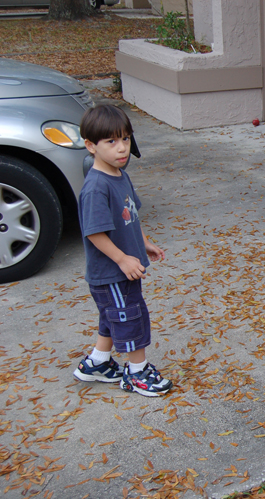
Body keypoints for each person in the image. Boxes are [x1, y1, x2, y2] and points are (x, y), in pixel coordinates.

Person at [72, 104, 173, 397]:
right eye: (111, 141)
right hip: (111, 272)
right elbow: (94, 233)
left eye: (126, 139)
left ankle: (97, 363)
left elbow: (130, 214)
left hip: (123, 269)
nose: (122, 148)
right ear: (91, 146)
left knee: (112, 316)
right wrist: (122, 258)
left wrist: (143, 243)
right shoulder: (95, 188)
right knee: (131, 317)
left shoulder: (119, 175)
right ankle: (137, 373)